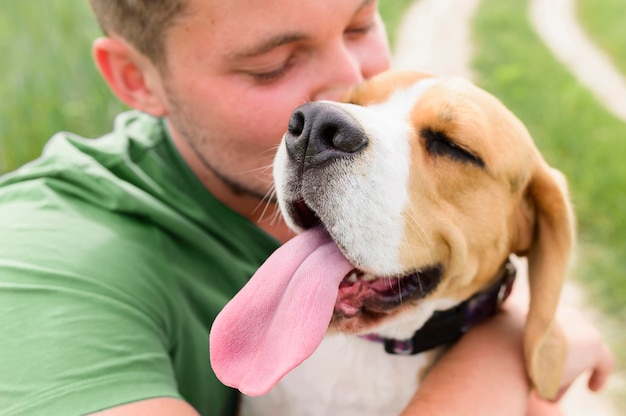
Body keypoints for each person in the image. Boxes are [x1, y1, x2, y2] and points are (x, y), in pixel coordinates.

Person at [0, 1, 613, 415]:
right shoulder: (36, 264)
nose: (341, 94)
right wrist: (496, 357)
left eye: (359, 24)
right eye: (272, 65)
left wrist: (520, 325)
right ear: (138, 80)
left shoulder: (329, 257)